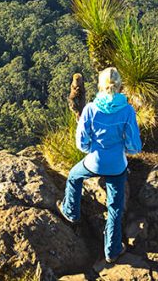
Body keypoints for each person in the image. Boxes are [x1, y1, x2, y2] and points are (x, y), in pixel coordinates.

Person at [57, 67, 142, 264]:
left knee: (74, 177)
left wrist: (92, 150)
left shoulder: (90, 109)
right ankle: (112, 251)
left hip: (93, 162)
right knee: (115, 207)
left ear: (100, 86)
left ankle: (71, 212)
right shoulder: (127, 110)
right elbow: (134, 145)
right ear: (120, 86)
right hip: (117, 165)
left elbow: (81, 142)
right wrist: (123, 150)